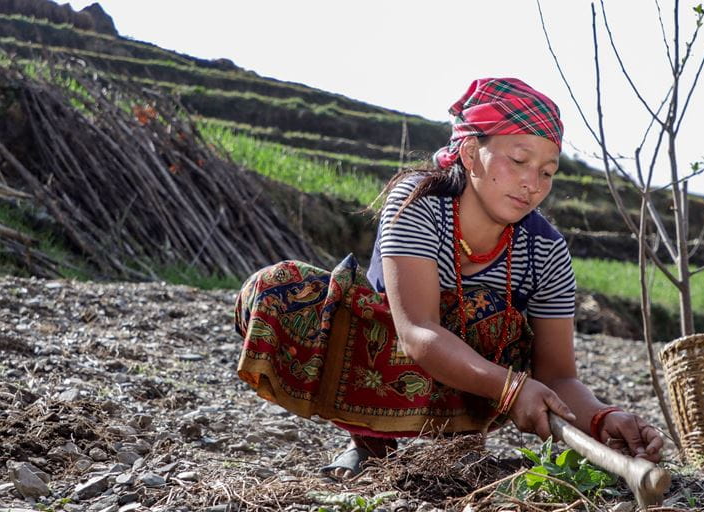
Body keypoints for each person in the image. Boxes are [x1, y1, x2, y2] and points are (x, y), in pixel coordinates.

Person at [234, 77, 663, 480]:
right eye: (518, 161)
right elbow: (417, 331)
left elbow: (558, 377)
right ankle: (371, 443)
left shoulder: (546, 249)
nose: (533, 184)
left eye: (547, 172)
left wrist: (602, 418)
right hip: (389, 359)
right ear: (472, 153)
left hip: (476, 390)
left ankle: (457, 439)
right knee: (278, 289)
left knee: (490, 313)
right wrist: (511, 389)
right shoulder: (418, 202)